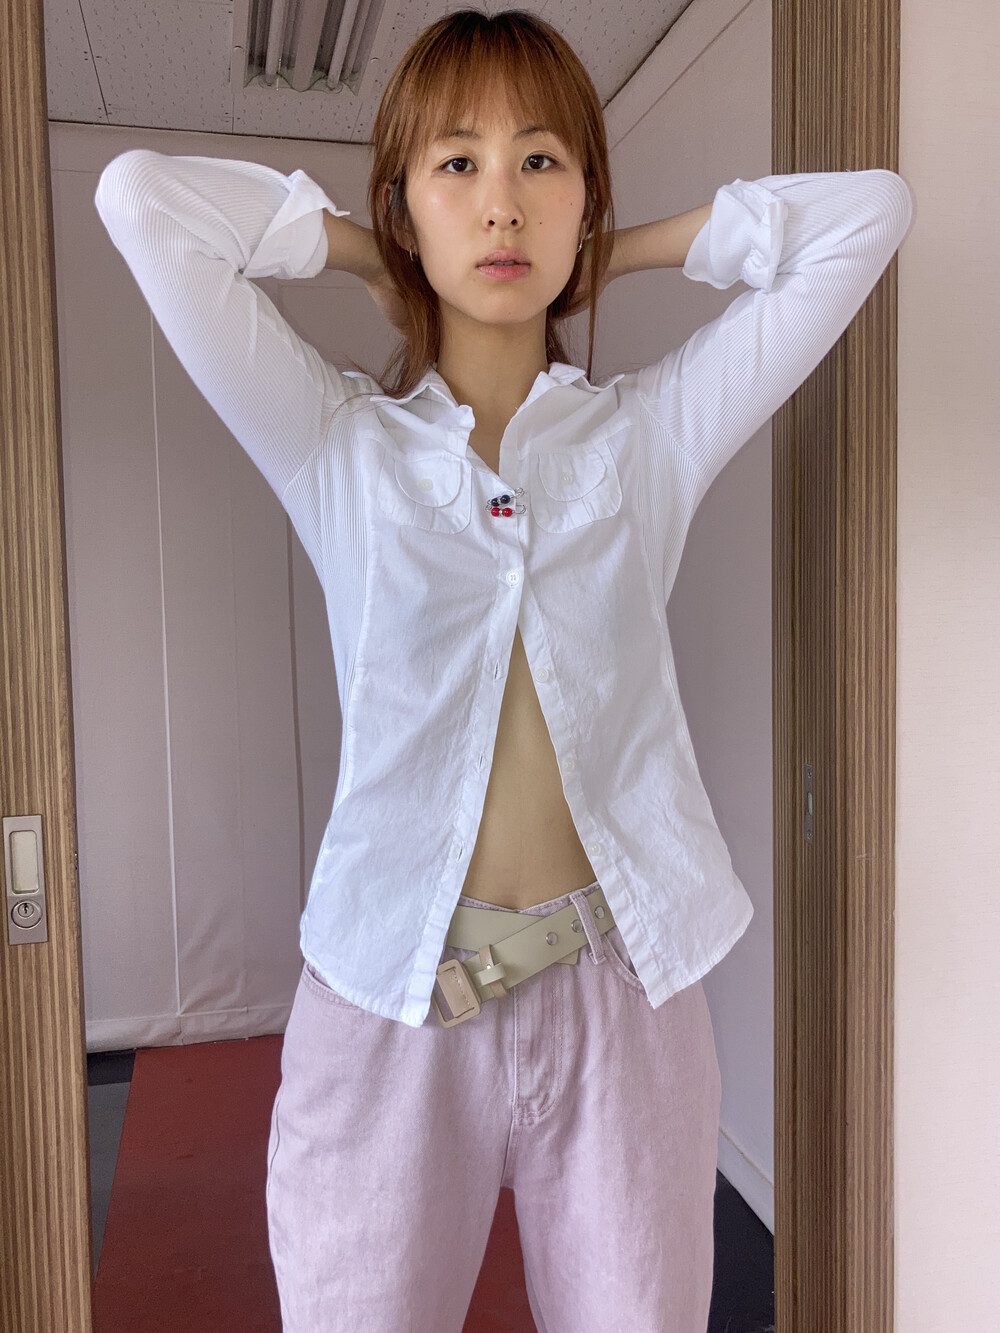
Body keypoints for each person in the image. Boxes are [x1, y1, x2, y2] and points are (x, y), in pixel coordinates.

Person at [94, 9, 913, 1331]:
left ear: (585, 193)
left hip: (622, 992)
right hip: (391, 1002)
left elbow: (866, 216)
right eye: (456, 164)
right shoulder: (341, 450)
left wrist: (612, 255)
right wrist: (371, 258)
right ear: (405, 202)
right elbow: (142, 201)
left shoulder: (645, 441)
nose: (501, 204)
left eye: (541, 161)